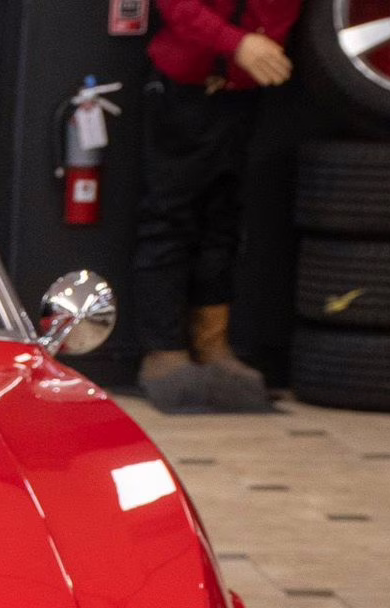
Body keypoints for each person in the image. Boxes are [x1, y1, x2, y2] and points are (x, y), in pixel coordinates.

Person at [134, 0, 304, 413]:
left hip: (244, 93)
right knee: (168, 219)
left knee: (222, 223)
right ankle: (163, 350)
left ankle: (212, 344)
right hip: (183, 90)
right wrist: (236, 43)